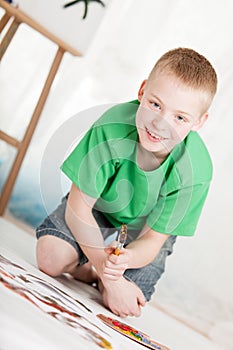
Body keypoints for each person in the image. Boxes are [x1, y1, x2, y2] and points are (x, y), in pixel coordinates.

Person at [36, 47, 217, 318]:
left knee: (125, 303)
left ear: (199, 122)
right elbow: (79, 207)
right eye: (155, 105)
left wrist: (126, 261)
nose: (159, 124)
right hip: (100, 206)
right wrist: (108, 272)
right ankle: (87, 269)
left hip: (147, 230)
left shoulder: (196, 170)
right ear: (142, 91)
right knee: (50, 257)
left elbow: (154, 239)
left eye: (179, 118)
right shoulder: (111, 128)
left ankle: (102, 271)